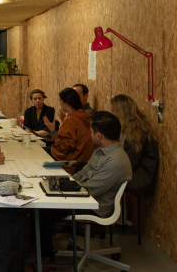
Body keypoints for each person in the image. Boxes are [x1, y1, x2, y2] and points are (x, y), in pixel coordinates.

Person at [35, 111, 132, 268]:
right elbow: (84, 172)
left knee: (44, 210)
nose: (90, 134)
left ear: (99, 135)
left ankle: (45, 255)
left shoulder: (115, 161)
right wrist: (65, 181)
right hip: (85, 196)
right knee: (45, 198)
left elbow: (91, 189)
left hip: (95, 205)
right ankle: (42, 249)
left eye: (92, 132)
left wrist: (62, 188)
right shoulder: (101, 150)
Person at [110, 94, 159, 194]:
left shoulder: (135, 132)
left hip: (140, 179)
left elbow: (127, 163)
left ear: (121, 112)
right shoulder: (129, 128)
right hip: (133, 174)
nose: (111, 114)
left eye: (113, 111)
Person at [44, 88, 94, 173]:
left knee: (41, 151)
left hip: (71, 162)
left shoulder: (71, 120)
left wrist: (52, 130)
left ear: (66, 103)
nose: (60, 104)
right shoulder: (85, 116)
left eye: (60, 101)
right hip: (83, 160)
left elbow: (64, 147)